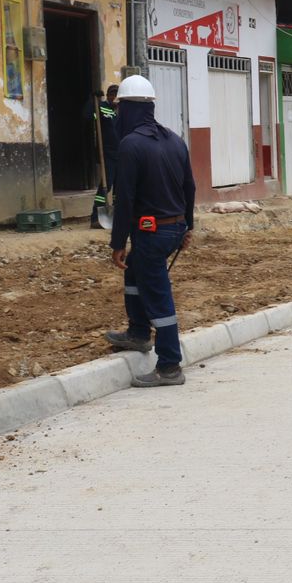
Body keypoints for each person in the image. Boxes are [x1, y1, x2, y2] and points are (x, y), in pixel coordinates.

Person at [104, 74, 196, 388]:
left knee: (158, 294)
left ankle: (169, 365)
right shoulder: (175, 140)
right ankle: (138, 333)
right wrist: (188, 226)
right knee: (135, 273)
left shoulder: (131, 145)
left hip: (152, 233)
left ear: (126, 108)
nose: (117, 115)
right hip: (173, 229)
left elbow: (125, 200)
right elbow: (190, 187)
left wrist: (117, 243)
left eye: (119, 109)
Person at [90, 84, 120, 229]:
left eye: (116, 95)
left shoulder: (122, 111)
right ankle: (95, 217)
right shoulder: (101, 107)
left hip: (122, 153)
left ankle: (117, 215)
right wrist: (93, 100)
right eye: (111, 94)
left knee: (119, 186)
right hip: (107, 154)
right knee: (105, 185)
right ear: (108, 96)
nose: (114, 97)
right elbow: (88, 115)